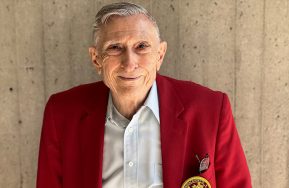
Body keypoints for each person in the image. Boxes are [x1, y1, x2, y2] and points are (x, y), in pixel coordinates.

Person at [36, 2, 251, 188]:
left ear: (160, 55)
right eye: (115, 47)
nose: (130, 63)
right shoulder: (62, 113)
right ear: (95, 59)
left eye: (141, 46)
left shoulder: (210, 109)